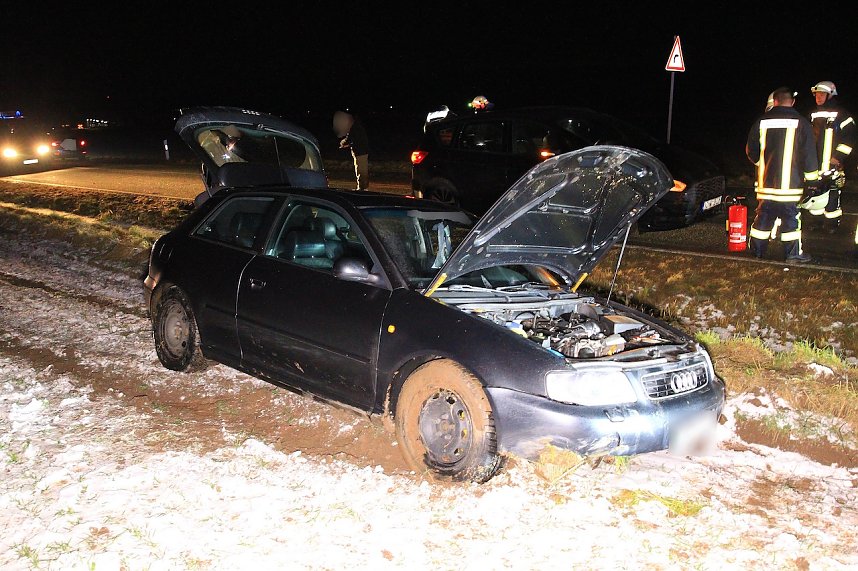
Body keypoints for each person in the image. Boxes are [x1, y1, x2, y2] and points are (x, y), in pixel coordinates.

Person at [746, 87, 819, 263]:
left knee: (763, 217)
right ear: (792, 102)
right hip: (790, 186)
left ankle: (757, 252)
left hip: (766, 185)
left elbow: (751, 150)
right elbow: (809, 154)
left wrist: (761, 164)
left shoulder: (761, 121)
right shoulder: (801, 123)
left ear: (775, 101)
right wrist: (812, 181)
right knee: (791, 220)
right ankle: (792, 254)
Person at [807, 81, 856, 233]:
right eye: (816, 94)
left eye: (822, 94)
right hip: (814, 163)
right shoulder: (812, 114)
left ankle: (832, 224)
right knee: (815, 191)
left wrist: (838, 157)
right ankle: (816, 222)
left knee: (832, 193)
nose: (818, 97)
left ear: (830, 95)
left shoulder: (842, 115)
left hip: (832, 163)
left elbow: (850, 138)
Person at [333, 110, 369, 190]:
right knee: (361, 169)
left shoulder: (354, 128)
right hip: (362, 151)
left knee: (360, 169)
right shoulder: (357, 126)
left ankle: (362, 187)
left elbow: (350, 139)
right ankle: (362, 186)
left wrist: (343, 143)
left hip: (360, 152)